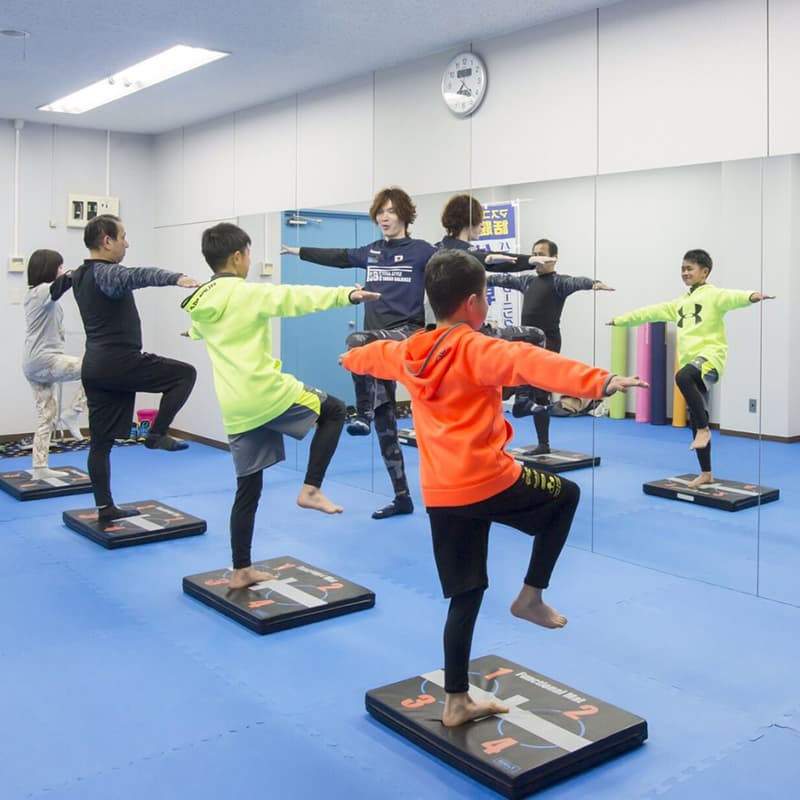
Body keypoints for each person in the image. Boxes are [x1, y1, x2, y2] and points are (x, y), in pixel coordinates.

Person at [341, 249, 646, 727]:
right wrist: (602, 381)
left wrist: (350, 356)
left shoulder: (409, 352)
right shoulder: (476, 348)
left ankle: (456, 701)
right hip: (488, 479)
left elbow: (370, 355)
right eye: (484, 296)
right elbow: (531, 361)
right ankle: (530, 596)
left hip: (441, 492)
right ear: (472, 303)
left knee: (466, 595)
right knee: (566, 496)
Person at [184, 223, 379, 589]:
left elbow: (200, 328)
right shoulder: (245, 294)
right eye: (249, 253)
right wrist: (347, 295)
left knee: (248, 488)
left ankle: (241, 569)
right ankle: (311, 489)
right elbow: (296, 298)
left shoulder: (200, 300)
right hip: (266, 393)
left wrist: (192, 333)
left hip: (235, 406)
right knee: (335, 410)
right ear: (238, 256)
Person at [281, 187, 435, 520]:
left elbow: (458, 264)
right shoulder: (373, 251)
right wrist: (298, 250)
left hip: (407, 334)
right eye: (380, 211)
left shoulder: (423, 251)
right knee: (386, 424)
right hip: (378, 345)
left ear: (405, 215)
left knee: (356, 340)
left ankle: (361, 412)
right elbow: (339, 256)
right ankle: (402, 496)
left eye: (391, 211)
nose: (384, 216)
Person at [71, 215, 200, 523]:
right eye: (123, 237)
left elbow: (57, 281)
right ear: (106, 241)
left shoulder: (78, 274)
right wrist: (176, 277)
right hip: (120, 362)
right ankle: (156, 434)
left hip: (95, 367)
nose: (126, 243)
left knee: (100, 444)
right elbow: (137, 276)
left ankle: (106, 508)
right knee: (184, 375)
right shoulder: (106, 273)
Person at [609, 248, 773, 489]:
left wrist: (752, 295)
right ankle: (706, 471)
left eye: (690, 269)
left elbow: (733, 297)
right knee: (694, 417)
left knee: (682, 377)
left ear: (704, 272)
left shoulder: (714, 295)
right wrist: (620, 320)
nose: (685, 273)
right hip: (692, 363)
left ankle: (704, 429)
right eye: (683, 269)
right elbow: (649, 312)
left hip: (710, 357)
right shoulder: (679, 303)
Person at [488, 238, 614, 454]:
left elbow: (576, 282)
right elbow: (503, 279)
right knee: (502, 389)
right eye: (534, 254)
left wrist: (593, 283)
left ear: (553, 259)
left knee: (539, 394)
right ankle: (490, 440)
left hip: (547, 343)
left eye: (542, 254)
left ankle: (543, 444)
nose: (537, 258)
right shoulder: (527, 281)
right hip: (523, 343)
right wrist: (477, 279)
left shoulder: (558, 282)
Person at [22, 249, 86, 479]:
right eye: (58, 267)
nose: (60, 270)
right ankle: (74, 411)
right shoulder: (41, 291)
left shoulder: (33, 294)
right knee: (95, 366)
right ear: (49, 269)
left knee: (46, 414)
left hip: (33, 363)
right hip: (44, 360)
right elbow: (61, 285)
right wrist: (81, 270)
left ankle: (40, 467)